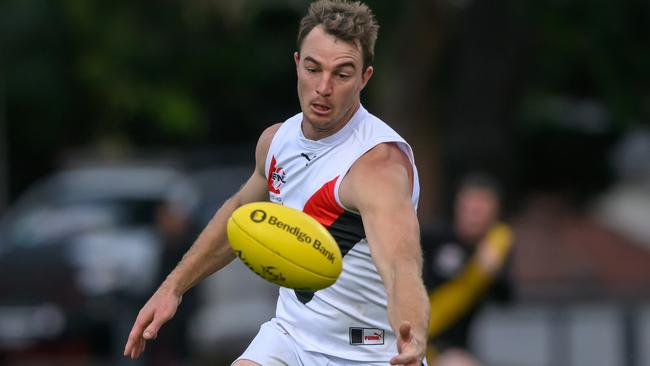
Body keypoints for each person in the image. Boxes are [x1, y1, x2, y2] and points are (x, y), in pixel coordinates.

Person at [123, 1, 430, 365]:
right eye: (313, 69)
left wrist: (414, 333)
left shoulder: (377, 165)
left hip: (369, 352)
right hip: (291, 338)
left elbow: (401, 264)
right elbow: (240, 216)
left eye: (342, 74)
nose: (324, 87)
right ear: (297, 63)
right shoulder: (276, 141)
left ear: (364, 78)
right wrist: (172, 289)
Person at [421, 173, 514, 366]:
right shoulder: (433, 236)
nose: (474, 215)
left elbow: (506, 297)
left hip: (454, 346)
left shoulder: (495, 245)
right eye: (470, 207)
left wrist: (492, 274)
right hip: (415, 333)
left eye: (481, 209)